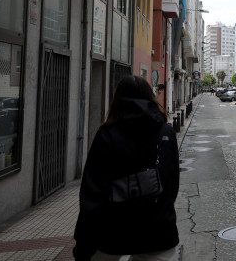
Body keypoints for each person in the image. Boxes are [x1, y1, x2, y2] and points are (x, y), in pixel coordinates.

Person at [73, 75, 180, 260]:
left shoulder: (106, 135)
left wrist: (83, 244)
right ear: (150, 96)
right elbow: (172, 185)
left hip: (113, 230)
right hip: (158, 231)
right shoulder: (165, 132)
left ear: (117, 99)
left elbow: (92, 192)